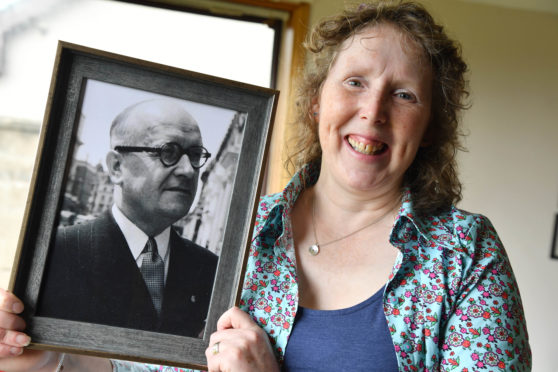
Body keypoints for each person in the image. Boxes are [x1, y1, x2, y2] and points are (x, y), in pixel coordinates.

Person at [0, 1, 531, 371]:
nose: (373, 112)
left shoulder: (464, 253)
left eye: (405, 96)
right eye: (355, 82)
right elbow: (151, 365)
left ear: (431, 125)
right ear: (316, 102)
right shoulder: (242, 232)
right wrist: (50, 356)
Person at [38, 99, 218, 337]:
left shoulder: (212, 271)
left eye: (195, 155)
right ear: (116, 167)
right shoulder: (50, 256)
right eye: (168, 152)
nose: (187, 170)